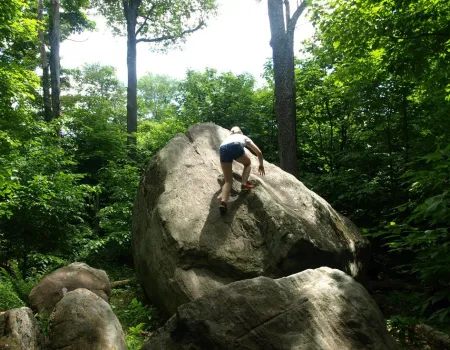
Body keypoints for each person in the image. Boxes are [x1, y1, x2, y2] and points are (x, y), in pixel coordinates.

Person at [218, 126, 265, 215]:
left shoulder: (228, 138)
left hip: (222, 149)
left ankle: (223, 202)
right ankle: (244, 184)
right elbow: (258, 152)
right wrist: (261, 165)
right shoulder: (243, 137)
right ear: (241, 132)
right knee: (247, 163)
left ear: (231, 132)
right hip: (235, 145)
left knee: (228, 181)